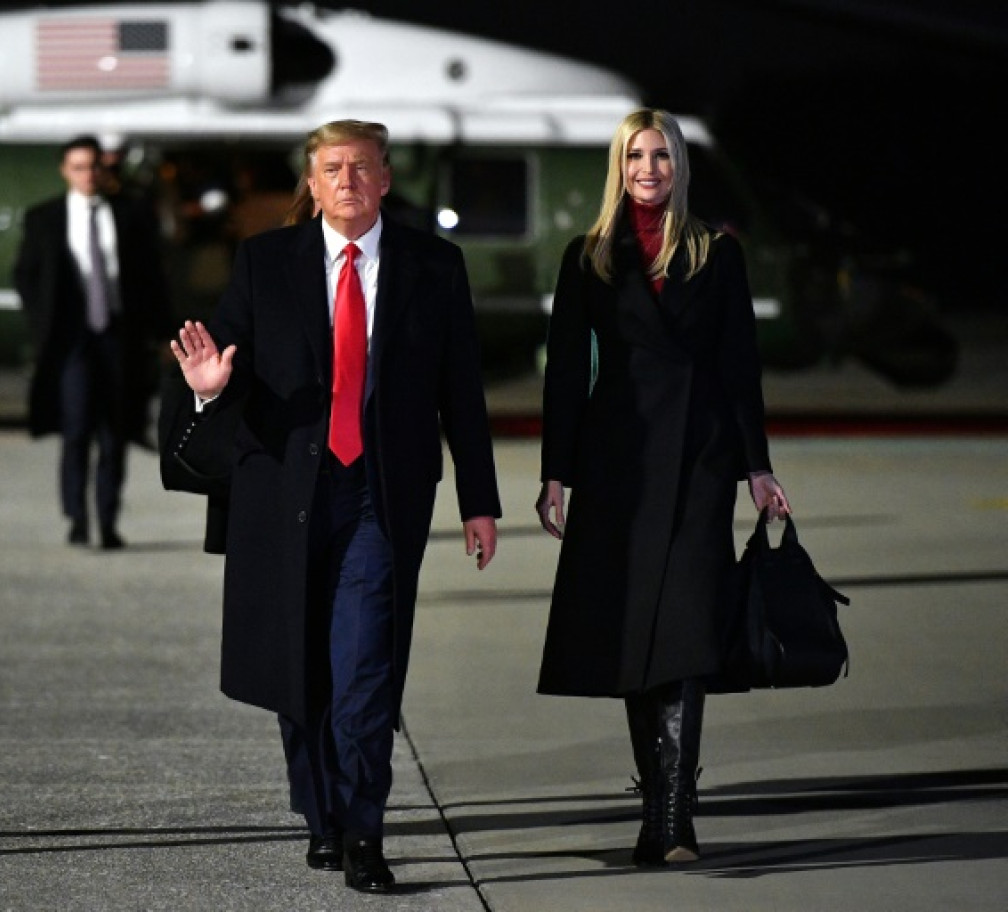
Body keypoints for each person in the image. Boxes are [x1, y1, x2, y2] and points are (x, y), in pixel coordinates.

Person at [168, 119, 502, 893]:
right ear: (311, 185)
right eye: (331, 168)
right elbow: (220, 365)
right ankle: (320, 813)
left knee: (363, 670)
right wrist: (209, 388)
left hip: (378, 495)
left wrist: (479, 501)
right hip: (285, 495)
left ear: (385, 180)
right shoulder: (265, 262)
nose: (346, 179)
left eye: (360, 167)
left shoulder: (434, 266)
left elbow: (463, 393)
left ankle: (361, 832)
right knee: (300, 666)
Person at [533, 108, 789, 868]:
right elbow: (565, 374)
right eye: (636, 156)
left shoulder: (717, 254)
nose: (649, 168)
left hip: (700, 461)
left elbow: (741, 367)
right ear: (620, 166)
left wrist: (757, 466)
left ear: (680, 166)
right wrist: (558, 471)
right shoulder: (588, 258)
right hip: (619, 466)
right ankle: (659, 802)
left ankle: (673, 818)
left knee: (679, 635)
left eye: (662, 156)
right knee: (628, 637)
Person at [13, 134, 173, 549]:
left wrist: (161, 331)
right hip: (72, 340)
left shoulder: (131, 214)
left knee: (115, 432)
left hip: (119, 336)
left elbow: (152, 276)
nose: (89, 174)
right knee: (77, 428)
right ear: (65, 170)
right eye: (80, 167)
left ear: (105, 170)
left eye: (95, 166)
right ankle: (77, 517)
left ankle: (108, 518)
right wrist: (42, 323)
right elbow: (27, 275)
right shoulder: (44, 217)